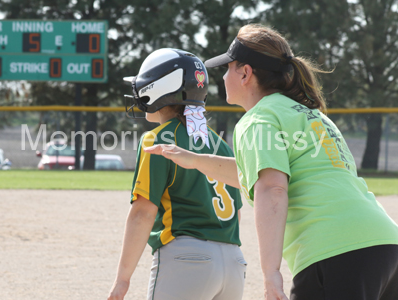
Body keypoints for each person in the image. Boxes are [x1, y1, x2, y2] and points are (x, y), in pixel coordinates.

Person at [145, 24, 398, 300]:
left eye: (228, 68)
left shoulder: (258, 118)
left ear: (245, 73)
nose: (223, 76)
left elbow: (272, 187)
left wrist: (270, 272)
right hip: (386, 244)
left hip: (336, 249)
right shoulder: (309, 114)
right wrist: (194, 160)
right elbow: (254, 172)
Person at [107, 48, 246, 300]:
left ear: (160, 88)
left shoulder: (158, 140)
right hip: (234, 263)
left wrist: (122, 279)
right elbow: (235, 213)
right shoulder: (222, 146)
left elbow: (143, 212)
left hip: (187, 259)